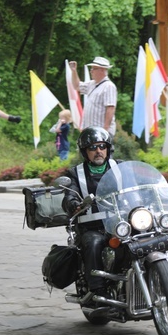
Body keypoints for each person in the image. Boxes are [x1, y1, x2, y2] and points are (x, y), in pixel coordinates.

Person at [61, 127, 120, 305]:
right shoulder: (75, 173)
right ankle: (98, 291)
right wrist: (73, 203)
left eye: (102, 146)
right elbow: (69, 195)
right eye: (92, 147)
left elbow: (142, 179)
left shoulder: (120, 166)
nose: (98, 151)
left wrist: (164, 186)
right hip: (92, 226)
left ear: (108, 148)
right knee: (94, 243)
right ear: (85, 152)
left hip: (120, 222)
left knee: (149, 234)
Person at [69, 57, 117, 136]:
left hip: (101, 131)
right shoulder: (91, 84)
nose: (91, 71)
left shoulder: (109, 86)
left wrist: (105, 129)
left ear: (102, 70)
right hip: (90, 131)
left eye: (94, 68)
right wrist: (74, 71)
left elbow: (110, 108)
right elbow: (77, 86)